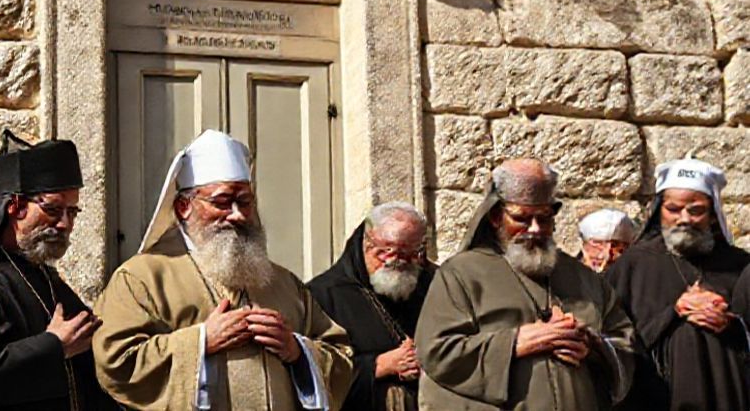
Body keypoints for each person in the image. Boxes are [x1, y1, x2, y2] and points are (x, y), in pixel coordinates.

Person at [92, 129, 353, 410]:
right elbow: (115, 362)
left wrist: (296, 350)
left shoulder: (283, 282)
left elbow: (341, 357)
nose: (238, 214)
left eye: (245, 201)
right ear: (183, 207)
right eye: (221, 202)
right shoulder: (142, 278)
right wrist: (201, 341)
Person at [416, 158, 635, 410]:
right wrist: (515, 342)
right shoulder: (460, 274)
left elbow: (624, 344)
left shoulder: (583, 278)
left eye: (544, 218)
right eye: (522, 219)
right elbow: (436, 352)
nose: (535, 229)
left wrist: (592, 347)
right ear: (496, 216)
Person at [0, 130, 117, 410]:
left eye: (72, 212)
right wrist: (53, 347)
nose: (65, 224)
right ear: (15, 207)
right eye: (53, 209)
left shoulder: (39, 271)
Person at [606, 158, 750, 411]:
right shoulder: (632, 266)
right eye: (673, 209)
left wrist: (731, 323)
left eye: (696, 210)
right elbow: (612, 340)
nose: (684, 219)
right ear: (660, 210)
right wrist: (674, 312)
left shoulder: (739, 266)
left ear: (713, 215)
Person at [309, 202, 436, 410]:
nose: (398, 262)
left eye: (411, 253)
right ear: (366, 243)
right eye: (388, 251)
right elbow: (312, 369)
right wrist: (380, 365)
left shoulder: (432, 284)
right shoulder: (323, 295)